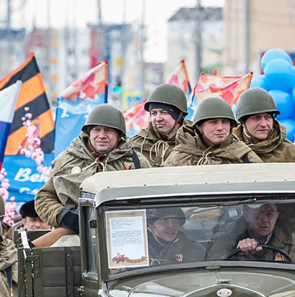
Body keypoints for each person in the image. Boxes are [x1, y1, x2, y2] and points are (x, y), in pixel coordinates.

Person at [36, 104, 149, 234]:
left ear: (119, 135)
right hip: (75, 235)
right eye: (96, 130)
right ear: (88, 133)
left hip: (125, 232)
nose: (102, 135)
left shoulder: (137, 162)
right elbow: (44, 197)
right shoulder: (66, 160)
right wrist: (62, 215)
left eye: (108, 130)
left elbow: (154, 199)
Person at [162, 98, 264, 167]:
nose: (220, 127)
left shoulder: (244, 155)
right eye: (213, 122)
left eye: (224, 122)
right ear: (199, 127)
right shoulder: (180, 156)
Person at [209, 203, 295, 264]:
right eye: (259, 214)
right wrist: (238, 253)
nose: (265, 219)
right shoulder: (226, 242)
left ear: (277, 216)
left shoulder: (294, 244)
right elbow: (212, 270)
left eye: (270, 214)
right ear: (247, 214)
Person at [233, 88, 295, 164]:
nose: (264, 124)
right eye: (256, 118)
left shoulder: (289, 151)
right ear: (243, 122)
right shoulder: (229, 148)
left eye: (268, 117)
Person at [130, 83, 190, 167]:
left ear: (178, 116)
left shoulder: (194, 140)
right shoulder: (138, 143)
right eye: (154, 113)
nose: (158, 118)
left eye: (164, 112)